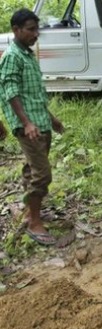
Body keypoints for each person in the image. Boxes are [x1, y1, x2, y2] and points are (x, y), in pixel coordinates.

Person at [0, 8, 64, 245]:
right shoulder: (12, 57)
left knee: (31, 169)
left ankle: (30, 213)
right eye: (30, 29)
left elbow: (33, 94)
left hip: (40, 122)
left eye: (37, 29)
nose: (36, 34)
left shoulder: (28, 54)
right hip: (28, 126)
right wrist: (26, 123)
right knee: (42, 175)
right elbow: (11, 92)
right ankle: (35, 223)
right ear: (16, 30)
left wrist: (51, 118)